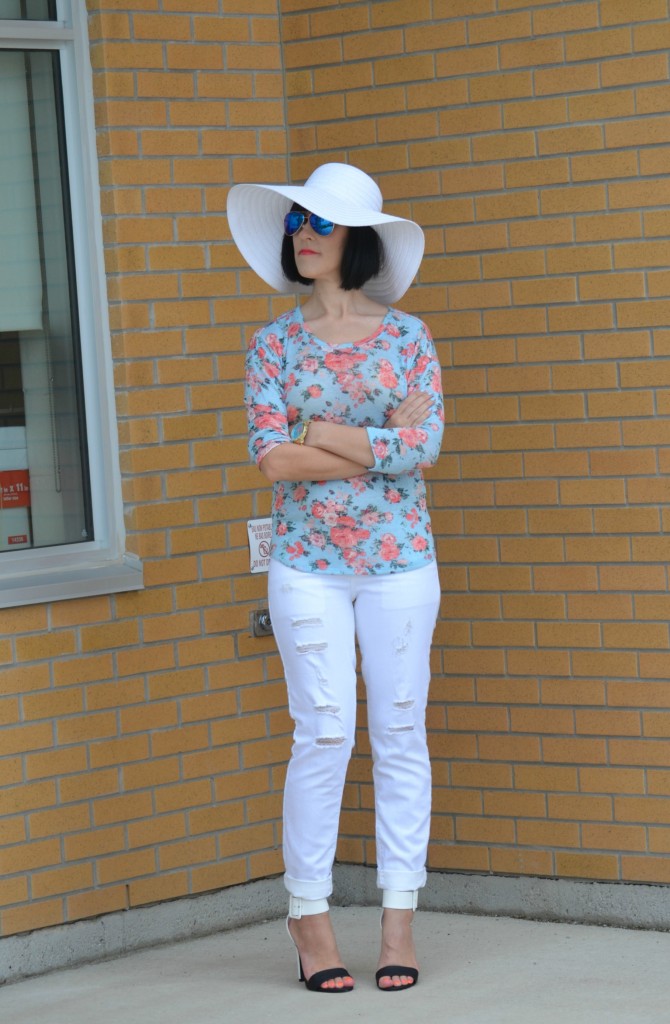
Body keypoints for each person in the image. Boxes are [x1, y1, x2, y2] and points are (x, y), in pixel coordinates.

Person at [227, 163, 444, 993]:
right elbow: (273, 460)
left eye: (319, 224)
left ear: (357, 240)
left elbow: (422, 450)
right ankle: (310, 923)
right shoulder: (272, 343)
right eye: (296, 224)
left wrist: (322, 429)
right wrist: (365, 436)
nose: (303, 236)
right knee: (321, 734)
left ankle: (399, 924)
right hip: (307, 568)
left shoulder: (410, 337)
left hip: (401, 567)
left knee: (398, 734)